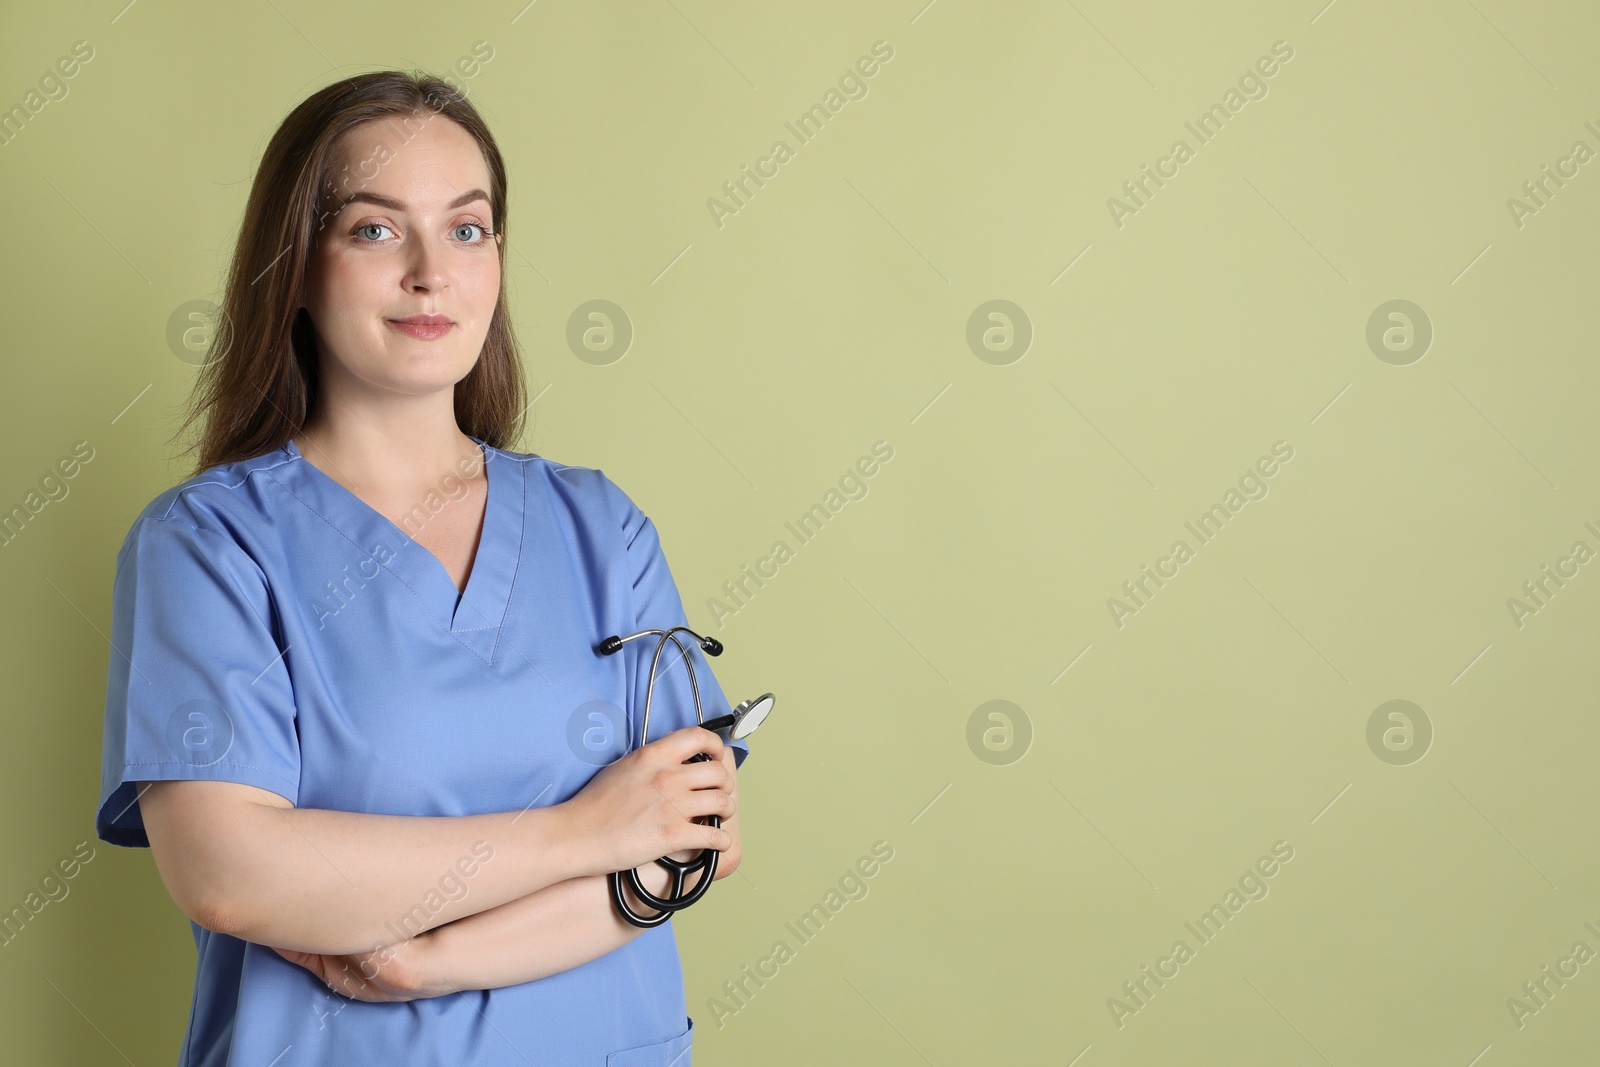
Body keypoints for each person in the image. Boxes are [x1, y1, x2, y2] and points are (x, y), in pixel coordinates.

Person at [94, 70, 748, 1066]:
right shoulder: (211, 542)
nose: (430, 273)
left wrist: (427, 960)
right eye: (374, 229)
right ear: (297, 265)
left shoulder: (599, 525)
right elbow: (233, 868)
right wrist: (589, 830)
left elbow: (688, 844)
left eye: (467, 228)